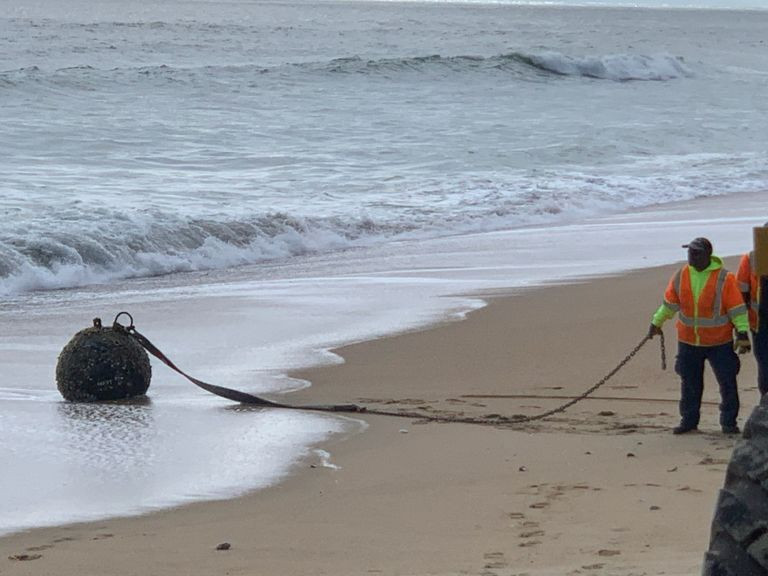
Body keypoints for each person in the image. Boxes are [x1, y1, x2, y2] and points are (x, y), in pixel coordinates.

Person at [648, 237, 751, 435]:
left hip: (719, 342)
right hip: (688, 342)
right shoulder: (681, 275)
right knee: (690, 384)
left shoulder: (724, 278)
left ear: (707, 255)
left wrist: (743, 333)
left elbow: (737, 310)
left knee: (727, 383)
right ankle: (689, 420)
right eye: (689, 252)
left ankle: (729, 423)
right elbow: (669, 304)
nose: (691, 256)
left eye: (696, 253)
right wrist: (656, 322)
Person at [736, 223, 768, 397]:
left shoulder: (750, 259)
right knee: (765, 366)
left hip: (760, 324)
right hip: (760, 324)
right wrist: (741, 330)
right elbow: (741, 295)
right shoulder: (750, 259)